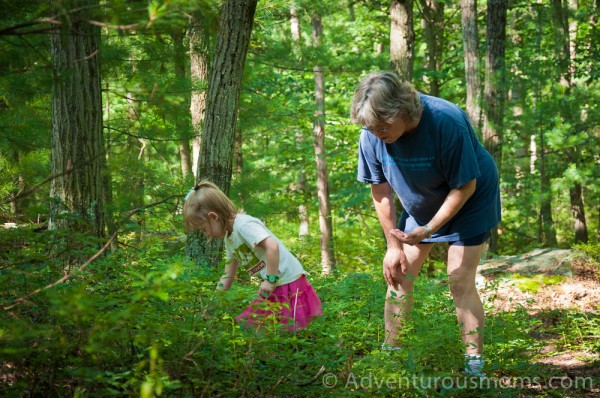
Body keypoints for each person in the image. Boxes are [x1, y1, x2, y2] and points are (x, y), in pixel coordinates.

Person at [350, 71, 500, 376]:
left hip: (470, 197)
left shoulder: (446, 121)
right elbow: (380, 191)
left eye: (383, 126)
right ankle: (391, 358)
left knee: (458, 279)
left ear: (401, 110)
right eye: (370, 127)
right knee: (398, 273)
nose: (377, 133)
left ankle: (474, 367)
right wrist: (393, 246)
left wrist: (429, 230)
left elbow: (465, 187)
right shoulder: (371, 134)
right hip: (422, 200)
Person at [183, 180, 322, 331]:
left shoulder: (243, 225)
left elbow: (272, 246)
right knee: (260, 328)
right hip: (275, 284)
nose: (206, 234)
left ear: (214, 217)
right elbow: (227, 276)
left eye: (204, 229)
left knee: (276, 329)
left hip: (286, 280)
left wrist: (270, 279)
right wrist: (212, 305)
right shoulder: (229, 239)